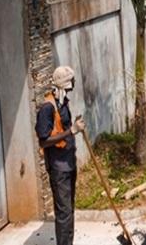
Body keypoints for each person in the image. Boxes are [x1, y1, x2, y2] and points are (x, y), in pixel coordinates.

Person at [35, 66, 85, 245]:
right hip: (58, 168)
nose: (73, 85)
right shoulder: (47, 108)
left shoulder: (62, 103)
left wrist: (73, 126)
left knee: (69, 209)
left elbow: (62, 128)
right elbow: (44, 141)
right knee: (64, 213)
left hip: (69, 163)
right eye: (71, 82)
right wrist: (71, 130)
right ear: (64, 84)